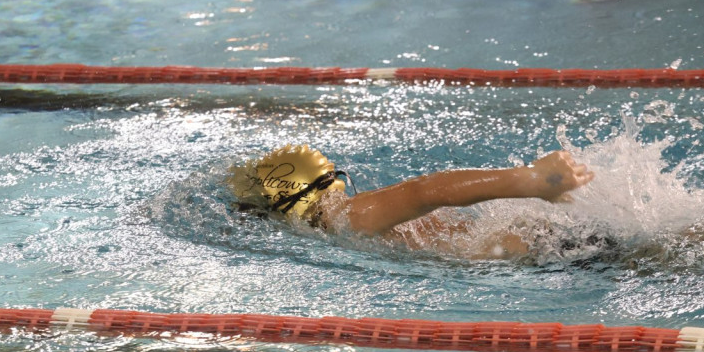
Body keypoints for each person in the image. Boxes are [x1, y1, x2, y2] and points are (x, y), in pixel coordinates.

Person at [229, 145, 595, 258]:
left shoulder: (351, 218)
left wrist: (529, 179)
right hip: (541, 245)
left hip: (548, 254)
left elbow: (428, 191)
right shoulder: (351, 213)